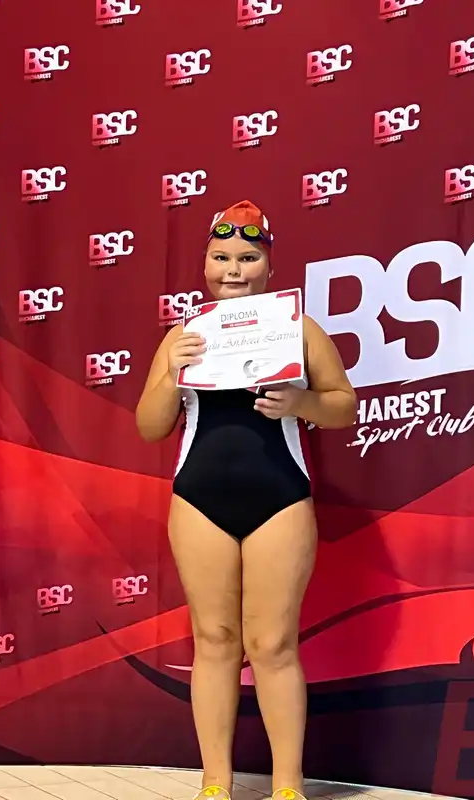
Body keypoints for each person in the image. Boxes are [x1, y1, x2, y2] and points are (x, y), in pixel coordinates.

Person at [134, 201, 357, 800]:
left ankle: (287, 787)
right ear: (206, 264)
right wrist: (171, 374)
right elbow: (150, 426)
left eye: (248, 258)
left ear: (269, 266)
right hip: (199, 499)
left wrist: (300, 403)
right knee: (214, 641)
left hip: (278, 496)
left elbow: (344, 405)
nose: (234, 269)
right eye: (222, 257)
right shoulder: (183, 335)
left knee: (273, 645)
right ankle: (216, 784)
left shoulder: (299, 329)